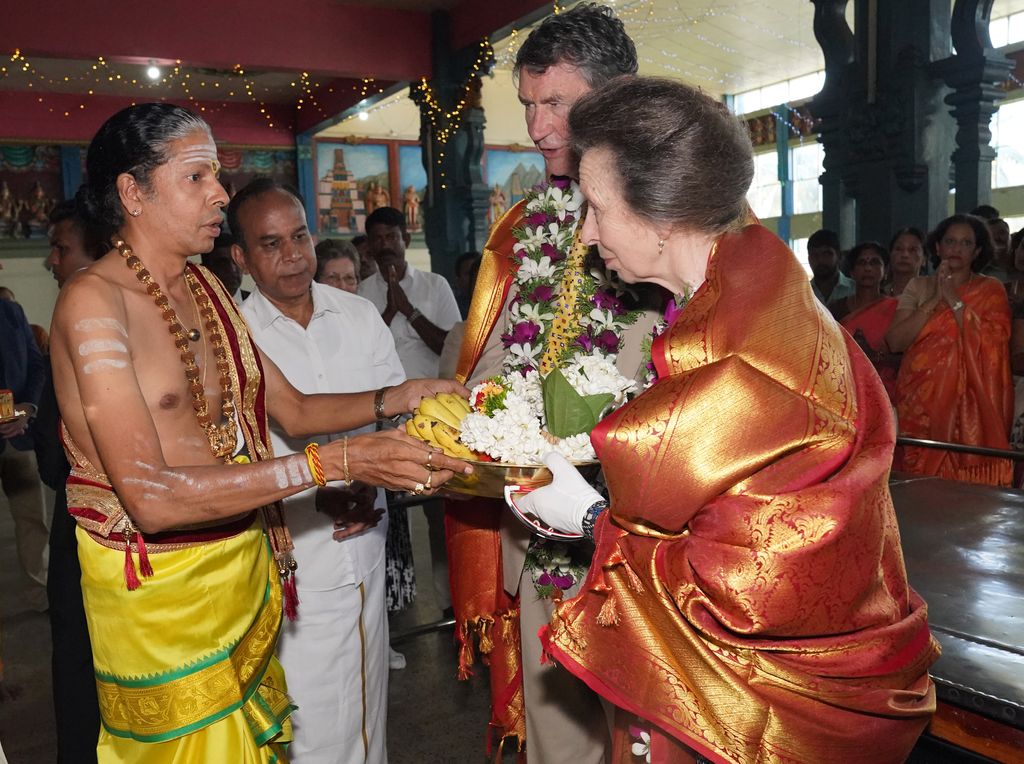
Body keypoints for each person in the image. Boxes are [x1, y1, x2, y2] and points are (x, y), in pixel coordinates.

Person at [514, 75, 937, 763]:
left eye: (595, 207)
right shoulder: (748, 276)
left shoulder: (737, 351)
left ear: (660, 217)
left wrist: (589, 520)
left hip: (767, 695)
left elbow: (750, 583)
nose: (586, 233)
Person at [49, 103, 470, 762]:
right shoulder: (92, 305)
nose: (220, 192)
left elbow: (294, 409)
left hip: (243, 567)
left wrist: (405, 393)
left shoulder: (206, 291)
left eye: (216, 175)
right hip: (161, 597)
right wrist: (332, 465)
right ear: (132, 192)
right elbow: (152, 499)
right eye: (196, 177)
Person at [447, 4, 660, 759]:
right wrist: (476, 413)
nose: (538, 128)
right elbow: (497, 359)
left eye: (557, 104)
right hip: (545, 532)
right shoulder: (523, 227)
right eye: (528, 104)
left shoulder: (686, 213)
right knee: (559, 745)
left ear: (618, 96)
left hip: (653, 542)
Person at [230, 178, 402, 763]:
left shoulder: (358, 315)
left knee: (367, 700)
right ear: (241, 257)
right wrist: (311, 489)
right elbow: (230, 453)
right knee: (303, 711)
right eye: (271, 244)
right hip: (289, 549)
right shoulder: (236, 336)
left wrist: (369, 480)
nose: (294, 256)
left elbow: (398, 423)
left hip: (365, 531)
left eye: (300, 236)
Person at [42, 199, 108, 763]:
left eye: (61, 248)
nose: (50, 261)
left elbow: (50, 455)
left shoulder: (91, 321)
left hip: (102, 542)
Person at [886, 214, 1013, 485]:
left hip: (972, 406)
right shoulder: (919, 286)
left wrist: (953, 299)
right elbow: (895, 342)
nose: (956, 248)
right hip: (920, 401)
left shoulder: (990, 290)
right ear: (937, 248)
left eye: (966, 243)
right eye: (950, 241)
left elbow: (994, 345)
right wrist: (934, 299)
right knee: (921, 486)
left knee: (966, 494)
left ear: (977, 250)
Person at [0, 265, 48, 613]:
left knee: (32, 518)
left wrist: (28, 407)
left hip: (17, 434)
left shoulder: (12, 313)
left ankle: (40, 593)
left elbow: (36, 365)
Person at [829, 241, 900, 400]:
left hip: (885, 393)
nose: (868, 268)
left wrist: (874, 356)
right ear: (852, 272)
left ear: (885, 270)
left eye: (875, 262)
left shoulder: (896, 309)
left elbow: (908, 358)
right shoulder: (836, 309)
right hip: (845, 390)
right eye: (862, 263)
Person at [807, 228, 855, 304]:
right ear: (809, 259)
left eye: (826, 254)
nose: (820, 260)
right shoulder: (803, 293)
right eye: (814, 255)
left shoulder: (856, 290)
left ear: (839, 256)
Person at [200, 231, 248, 303]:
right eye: (223, 262)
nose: (233, 269)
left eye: (236, 261)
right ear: (205, 269)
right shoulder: (198, 307)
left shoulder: (258, 305)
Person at [885, 226, 926, 296]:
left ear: (924, 259)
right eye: (898, 248)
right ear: (890, 255)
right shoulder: (878, 296)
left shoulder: (932, 295)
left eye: (912, 250)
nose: (904, 255)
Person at [982, 216, 1012, 281]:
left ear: (1010, 235)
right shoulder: (980, 268)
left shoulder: (1020, 263)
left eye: (1002, 233)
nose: (997, 237)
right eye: (991, 235)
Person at [452, 251, 479, 319]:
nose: (477, 277)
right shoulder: (453, 307)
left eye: (481, 272)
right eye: (469, 273)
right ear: (458, 280)